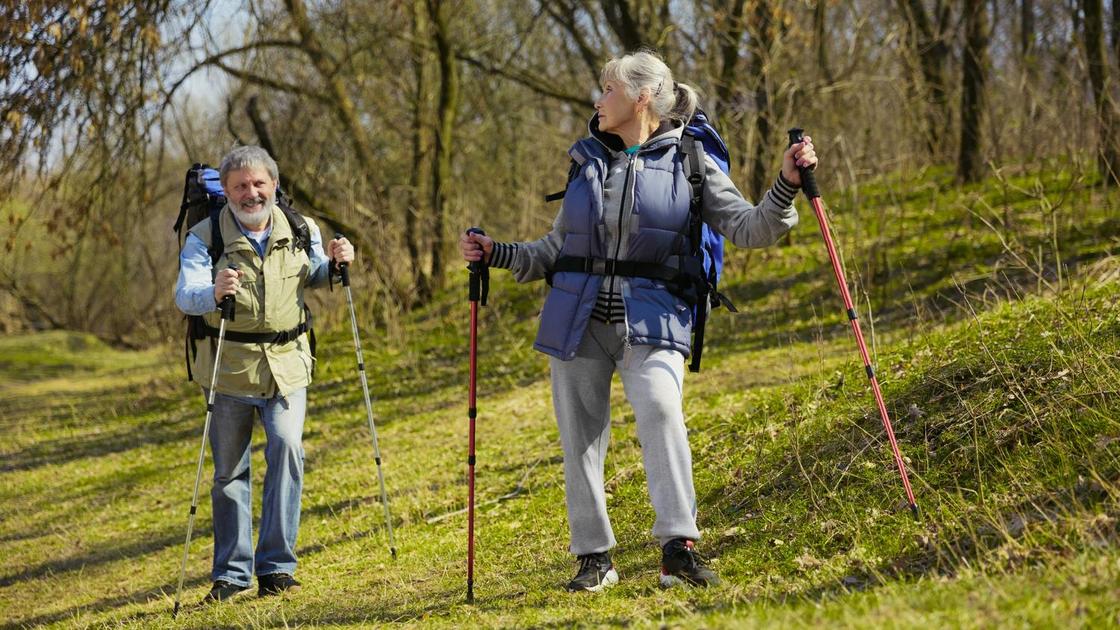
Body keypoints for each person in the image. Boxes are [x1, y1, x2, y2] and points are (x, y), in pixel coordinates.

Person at [459, 50, 816, 591]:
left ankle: (678, 547)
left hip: (654, 319)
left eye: (607, 90)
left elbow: (751, 227)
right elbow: (556, 248)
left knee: (660, 411)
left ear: (641, 97)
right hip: (577, 322)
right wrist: (497, 252)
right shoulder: (587, 162)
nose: (598, 100)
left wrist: (786, 184)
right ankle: (594, 558)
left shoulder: (692, 163)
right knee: (579, 439)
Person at [174, 145, 353, 602]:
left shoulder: (300, 226)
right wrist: (212, 292)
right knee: (229, 473)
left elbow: (312, 273)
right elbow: (185, 295)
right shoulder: (204, 236)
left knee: (288, 451)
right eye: (240, 186)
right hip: (228, 369)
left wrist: (334, 263)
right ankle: (232, 575)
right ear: (227, 191)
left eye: (258, 184)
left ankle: (276, 568)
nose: (250, 193)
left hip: (288, 364)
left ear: (274, 185)